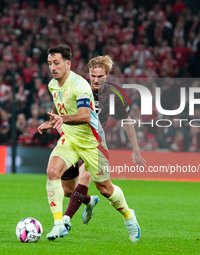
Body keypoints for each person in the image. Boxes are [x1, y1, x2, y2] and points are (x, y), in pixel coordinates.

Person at [38, 45, 142, 243]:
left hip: (93, 143)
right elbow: (57, 107)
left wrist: (135, 149)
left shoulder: (81, 86)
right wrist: (52, 122)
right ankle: (59, 223)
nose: (52, 67)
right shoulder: (53, 84)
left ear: (68, 64)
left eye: (56, 63)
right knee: (55, 175)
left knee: (104, 189)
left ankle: (129, 216)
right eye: (50, 63)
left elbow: (86, 116)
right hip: (69, 139)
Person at [60, 55, 146, 231]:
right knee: (69, 191)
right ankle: (89, 201)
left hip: (94, 143)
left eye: (100, 76)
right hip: (73, 140)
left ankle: (65, 221)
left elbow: (127, 121)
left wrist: (136, 150)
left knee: (92, 180)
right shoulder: (78, 89)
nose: (96, 80)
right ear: (88, 74)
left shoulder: (115, 94)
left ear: (107, 74)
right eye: (93, 76)